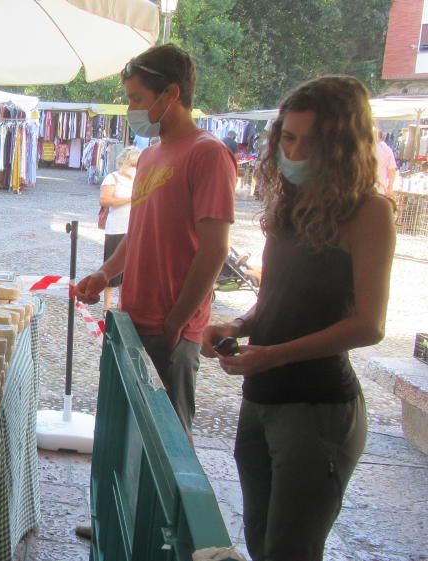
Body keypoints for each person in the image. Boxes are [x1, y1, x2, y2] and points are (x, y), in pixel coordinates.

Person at [202, 76, 394, 561]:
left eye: (313, 140)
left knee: (291, 550)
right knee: (262, 541)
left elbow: (369, 325)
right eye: (289, 137)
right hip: (262, 401)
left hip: (317, 409)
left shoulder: (370, 212)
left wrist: (274, 356)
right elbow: (274, 300)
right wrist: (238, 327)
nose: (297, 150)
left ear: (343, 145)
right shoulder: (290, 204)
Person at [77, 44, 236, 436]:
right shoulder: (149, 156)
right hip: (134, 319)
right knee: (133, 436)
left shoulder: (208, 154)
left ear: (171, 94)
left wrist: (177, 321)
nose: (132, 109)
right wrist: (104, 272)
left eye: (137, 98)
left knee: (169, 443)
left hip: (173, 330)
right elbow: (140, 233)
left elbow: (214, 249)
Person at [99, 146, 140, 310]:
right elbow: (105, 200)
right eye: (134, 164)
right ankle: (107, 305)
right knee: (112, 266)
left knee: (129, 269)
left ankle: (123, 303)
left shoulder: (138, 179)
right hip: (116, 227)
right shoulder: (112, 178)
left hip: (133, 227)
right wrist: (129, 199)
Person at [375, 130, 398, 195]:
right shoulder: (387, 149)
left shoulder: (364, 148)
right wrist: (390, 187)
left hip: (363, 189)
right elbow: (392, 170)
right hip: (380, 188)